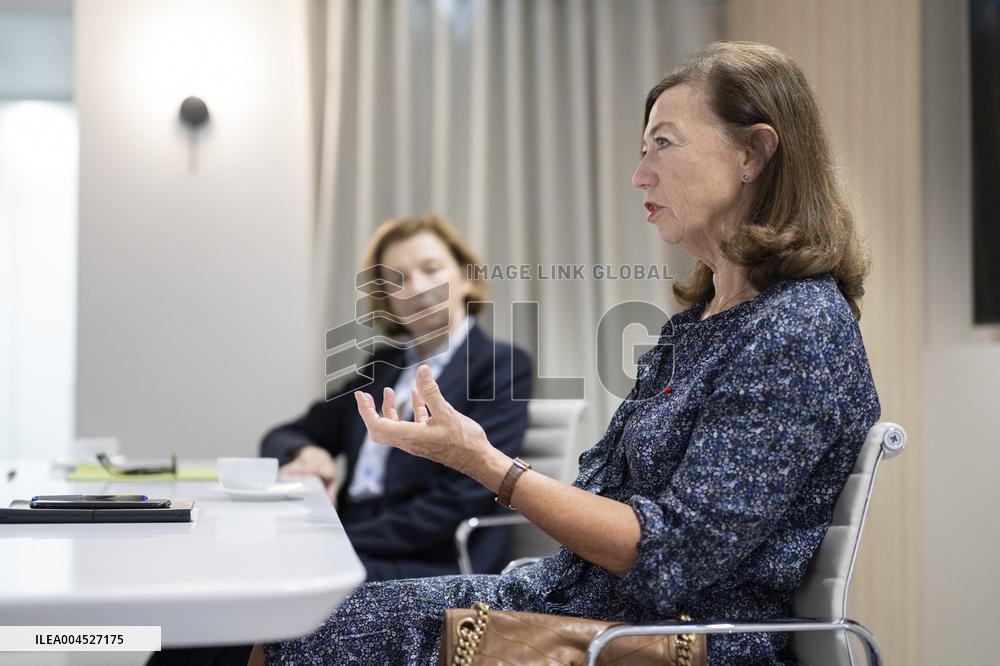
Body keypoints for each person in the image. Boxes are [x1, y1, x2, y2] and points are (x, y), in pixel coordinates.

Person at [264, 41, 881, 665]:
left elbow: (670, 560)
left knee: (299, 630)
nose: (641, 174)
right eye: (643, 151)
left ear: (752, 152)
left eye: (663, 144)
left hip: (668, 640)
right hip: (579, 603)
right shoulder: (694, 327)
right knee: (290, 621)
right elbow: (604, 492)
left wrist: (485, 463)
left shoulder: (797, 331)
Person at [261, 214, 533, 581]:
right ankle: (158, 638)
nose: (416, 287)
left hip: (433, 559)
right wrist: (307, 451)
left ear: (468, 278)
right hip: (354, 541)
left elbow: (467, 493)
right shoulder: (382, 366)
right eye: (398, 279)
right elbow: (285, 435)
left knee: (264, 579)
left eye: (431, 269)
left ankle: (157, 639)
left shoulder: (500, 365)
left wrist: (340, 538)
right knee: (244, 569)